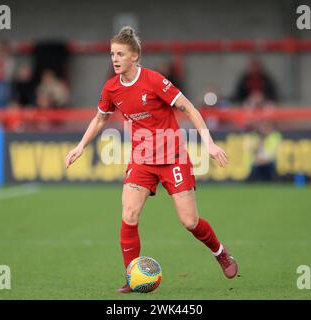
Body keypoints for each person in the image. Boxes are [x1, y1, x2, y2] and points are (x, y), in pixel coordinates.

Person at [65, 26, 238, 293]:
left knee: (190, 221)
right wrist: (80, 146)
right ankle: (132, 277)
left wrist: (210, 144)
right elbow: (100, 118)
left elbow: (189, 108)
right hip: (142, 160)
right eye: (112, 54)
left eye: (120, 54)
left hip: (173, 158)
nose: (115, 59)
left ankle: (220, 252)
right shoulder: (111, 88)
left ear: (135, 56)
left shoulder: (155, 81)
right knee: (129, 213)